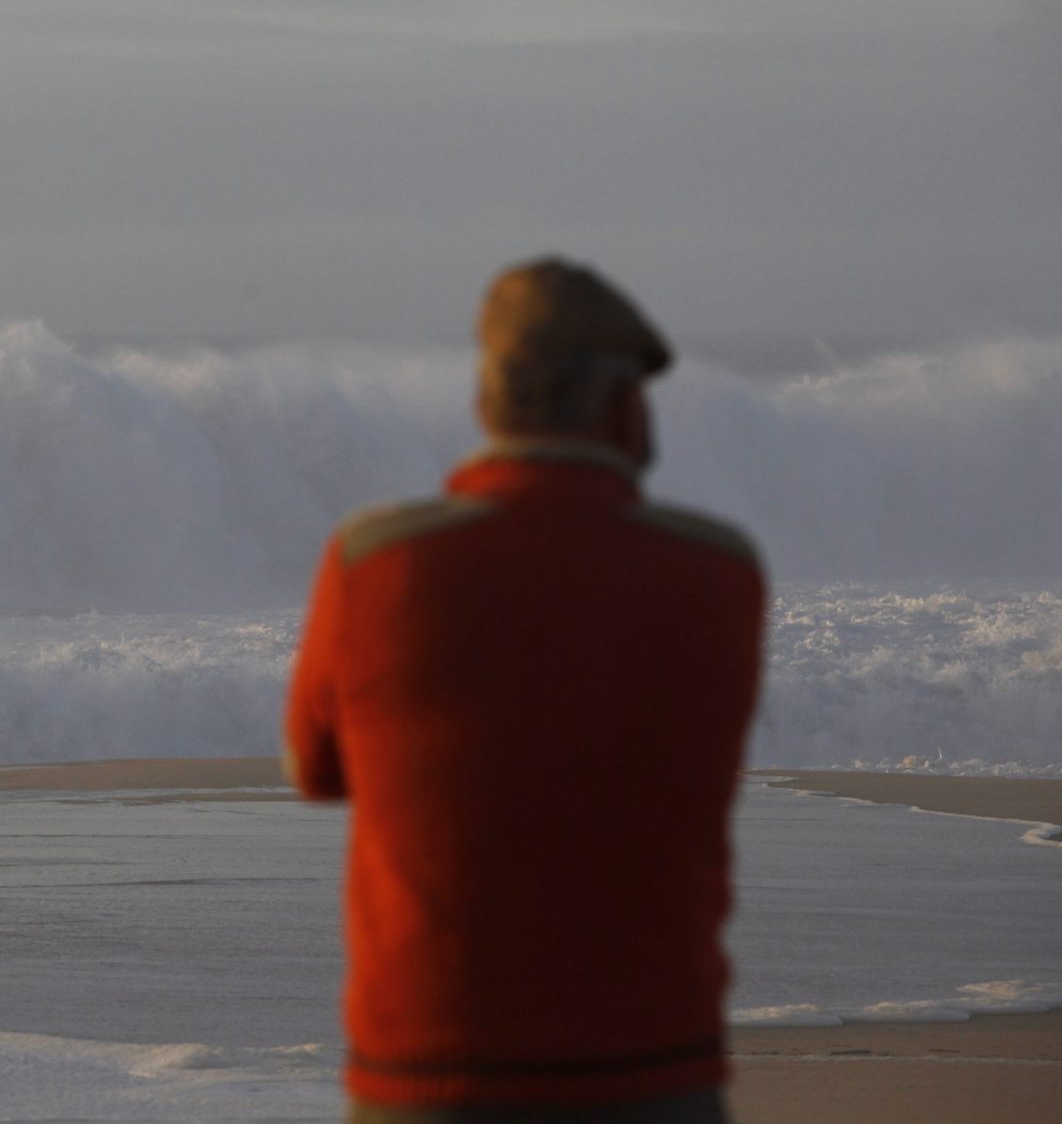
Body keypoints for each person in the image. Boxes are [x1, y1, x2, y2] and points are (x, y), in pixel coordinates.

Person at [284, 256, 765, 1123]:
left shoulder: (375, 563)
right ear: (625, 408)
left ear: (488, 403)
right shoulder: (719, 572)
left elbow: (315, 771)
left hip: (428, 1077)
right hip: (657, 1071)